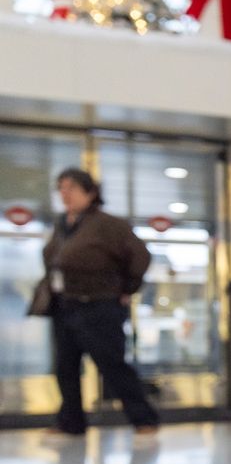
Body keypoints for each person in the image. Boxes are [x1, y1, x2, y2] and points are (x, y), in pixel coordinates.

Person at [41, 168, 159, 441]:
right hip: (65, 304)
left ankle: (144, 419)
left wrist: (127, 289)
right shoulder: (63, 224)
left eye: (71, 187)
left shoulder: (109, 224)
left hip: (99, 306)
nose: (65, 193)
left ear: (90, 192)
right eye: (61, 188)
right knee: (65, 367)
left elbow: (140, 257)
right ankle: (71, 422)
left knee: (112, 365)